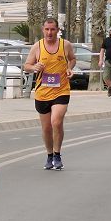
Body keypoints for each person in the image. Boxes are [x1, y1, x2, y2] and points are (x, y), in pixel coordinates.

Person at [24, 17, 77, 170]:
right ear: (43, 30)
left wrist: (69, 68)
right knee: (46, 128)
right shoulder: (37, 47)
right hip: (42, 92)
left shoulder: (65, 45)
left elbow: (72, 59)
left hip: (61, 90)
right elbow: (26, 65)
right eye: (47, 29)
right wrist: (34, 67)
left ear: (58, 30)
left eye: (52, 29)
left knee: (56, 122)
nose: (49, 32)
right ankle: (49, 155)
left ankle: (57, 154)